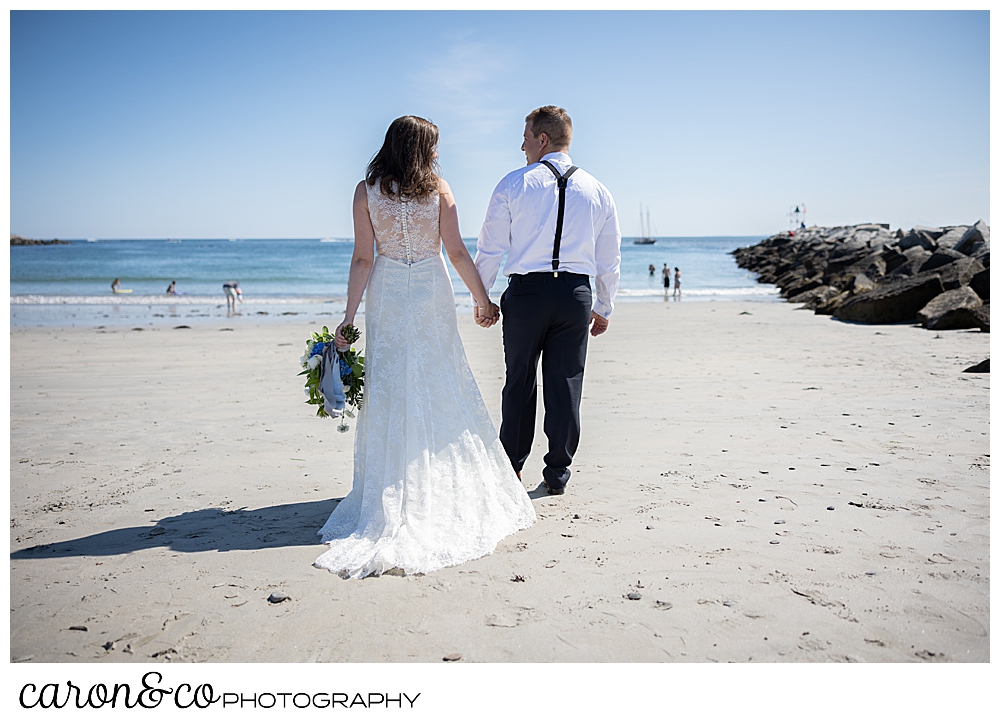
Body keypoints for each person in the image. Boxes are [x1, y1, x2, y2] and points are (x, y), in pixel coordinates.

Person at [315, 115, 535, 579]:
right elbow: (455, 251)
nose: (438, 153)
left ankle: (391, 485)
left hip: (388, 294)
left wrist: (349, 317)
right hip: (431, 292)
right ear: (421, 148)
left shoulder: (366, 189)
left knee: (392, 383)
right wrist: (483, 301)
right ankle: (431, 480)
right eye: (434, 145)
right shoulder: (439, 188)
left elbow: (362, 256)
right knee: (439, 377)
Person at [475, 105, 621, 496]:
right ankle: (557, 474)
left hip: (527, 294)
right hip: (575, 294)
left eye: (525, 137)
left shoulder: (513, 183)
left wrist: (481, 298)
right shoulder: (598, 190)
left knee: (519, 381)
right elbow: (610, 257)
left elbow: (490, 247)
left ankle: (512, 471)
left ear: (542, 139)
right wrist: (603, 307)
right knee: (566, 383)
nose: (521, 145)